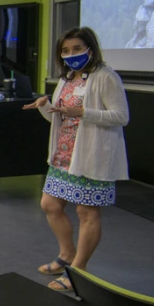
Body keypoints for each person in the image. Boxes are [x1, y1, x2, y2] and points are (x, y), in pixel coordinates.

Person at [24, 27, 129, 291]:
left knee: (86, 212)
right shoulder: (67, 79)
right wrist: (46, 107)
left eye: (77, 49)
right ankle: (66, 254)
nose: (71, 55)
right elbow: (60, 118)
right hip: (64, 155)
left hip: (92, 156)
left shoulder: (106, 77)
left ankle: (78, 272)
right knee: (50, 205)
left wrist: (83, 112)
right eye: (65, 51)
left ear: (90, 50)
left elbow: (121, 116)